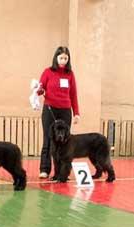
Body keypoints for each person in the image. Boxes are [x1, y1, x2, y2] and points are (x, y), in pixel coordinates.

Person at [37, 46, 80, 179]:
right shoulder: (48, 72)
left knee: (64, 142)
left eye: (66, 58)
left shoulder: (70, 74)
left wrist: (76, 113)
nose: (63, 61)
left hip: (65, 111)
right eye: (61, 58)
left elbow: (73, 95)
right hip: (50, 110)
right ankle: (44, 169)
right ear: (56, 58)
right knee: (48, 139)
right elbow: (40, 89)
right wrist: (38, 89)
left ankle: (62, 172)